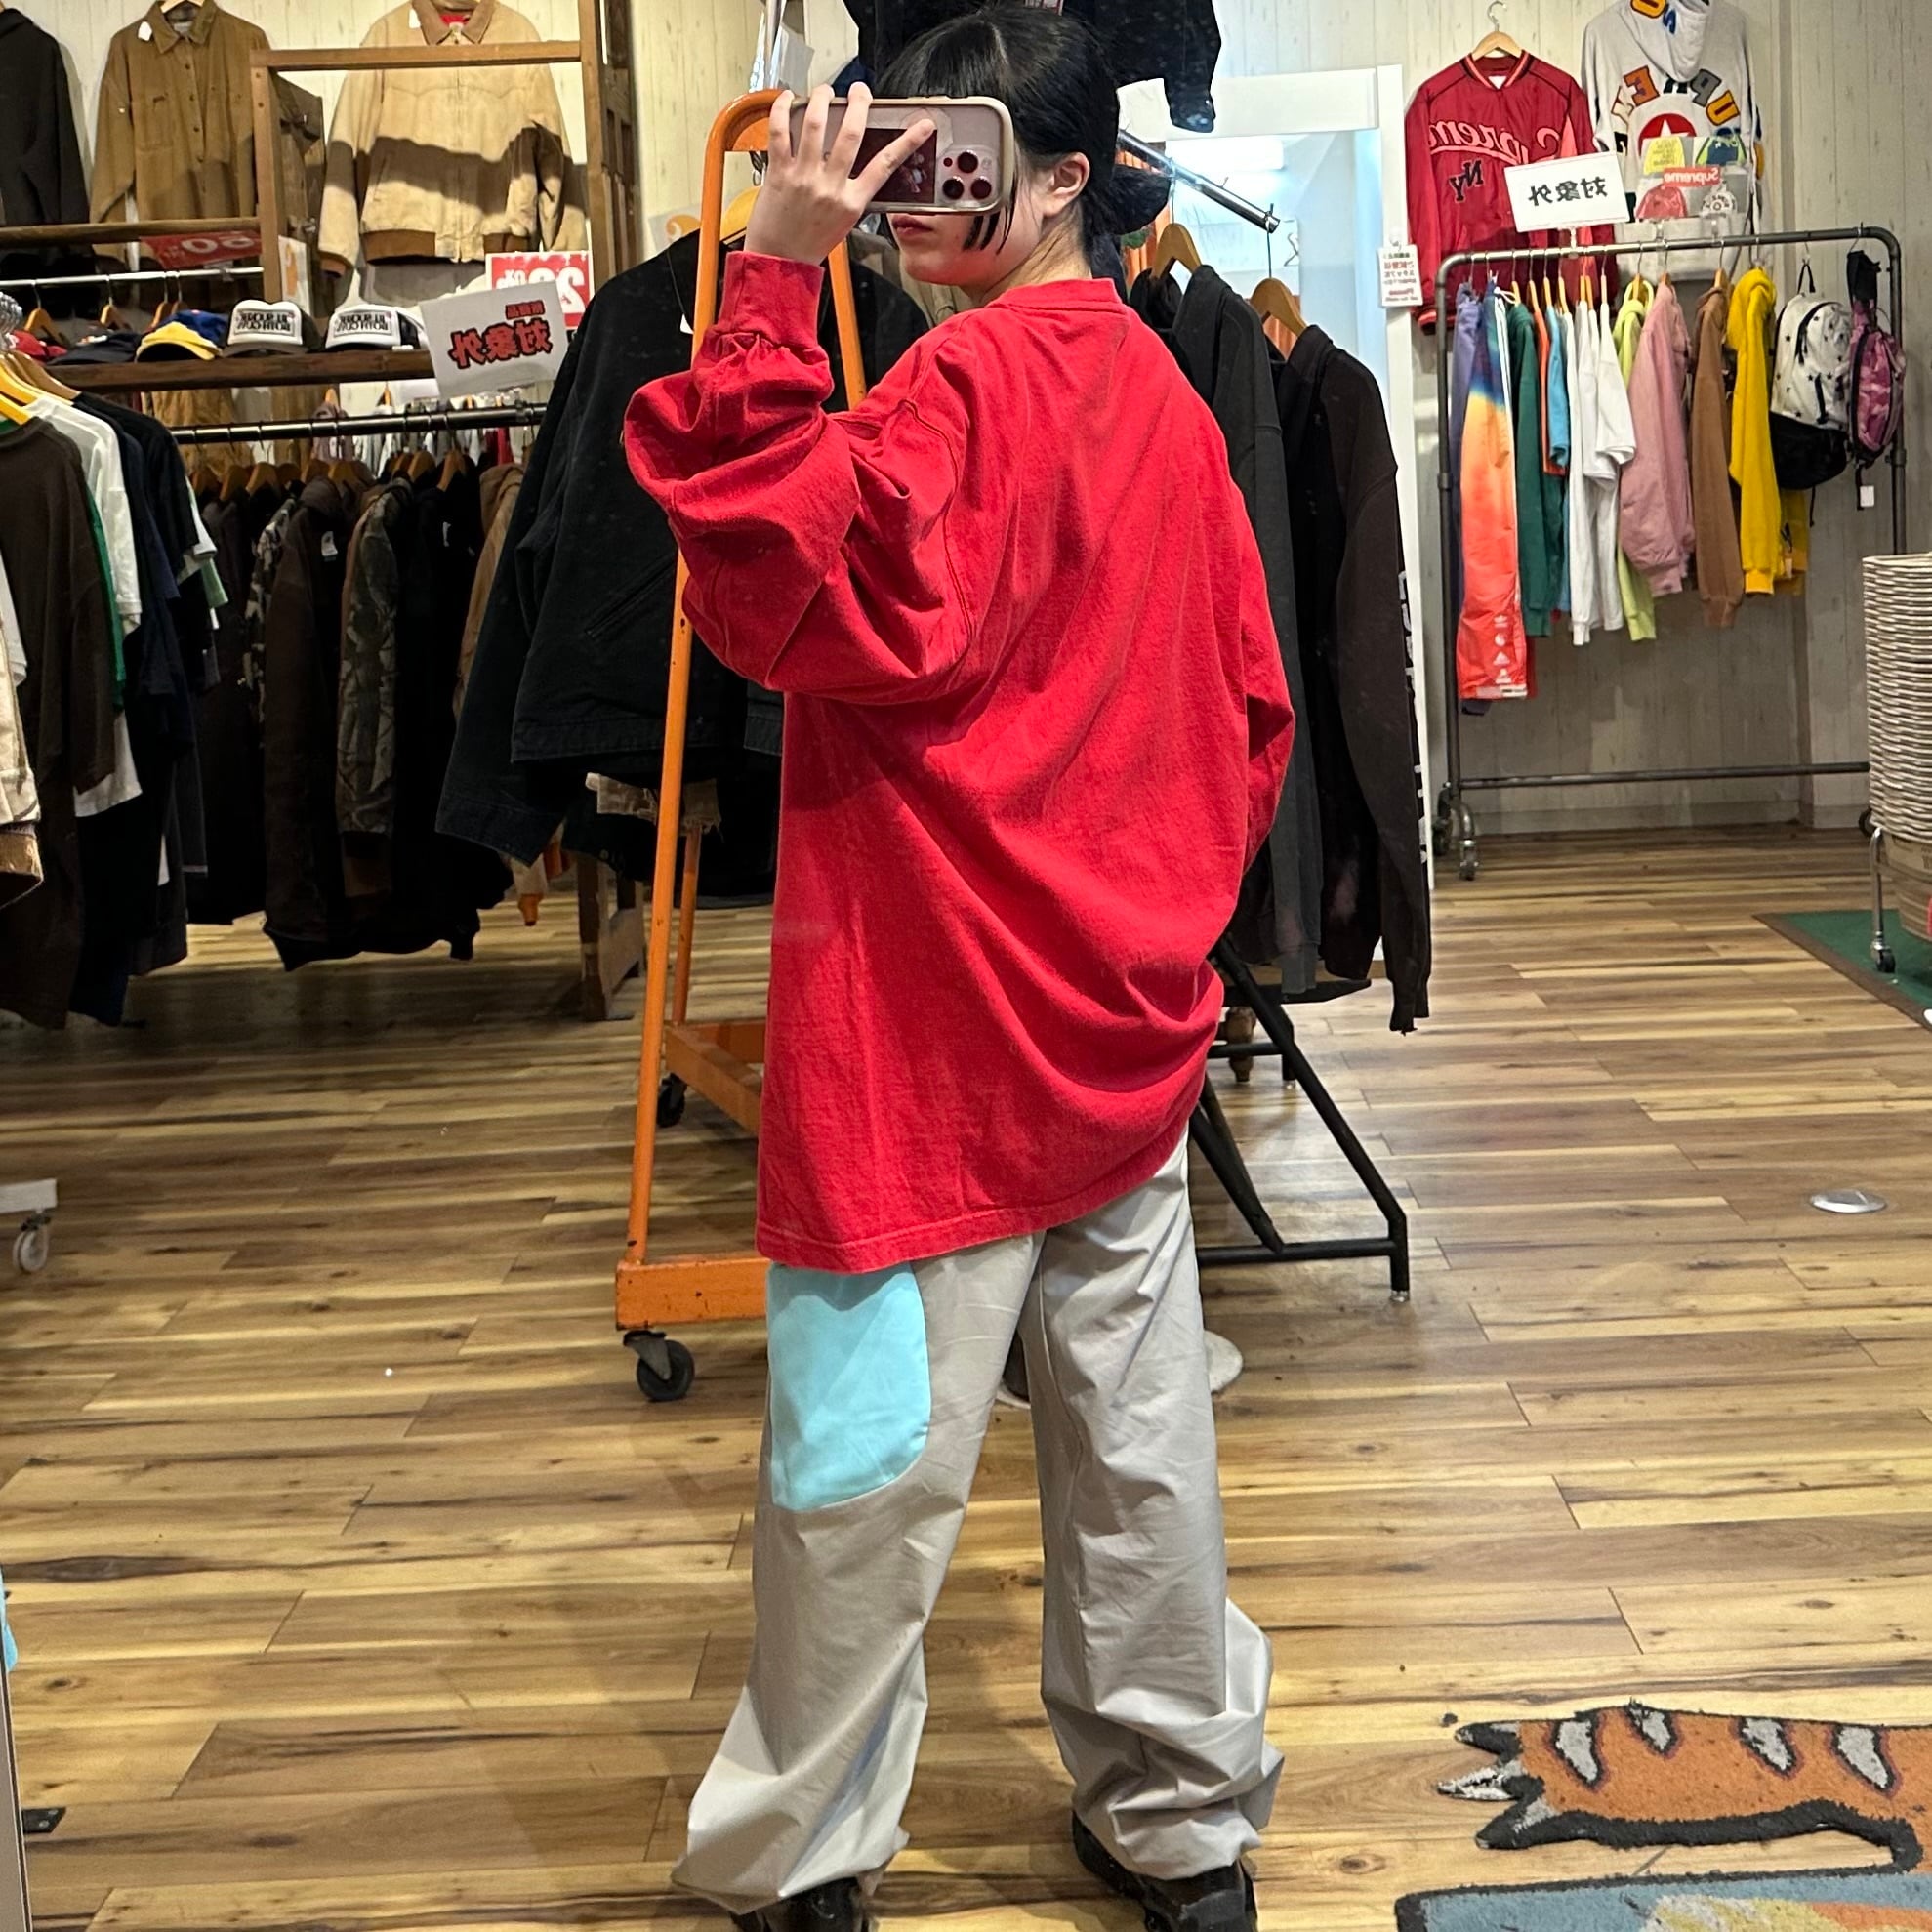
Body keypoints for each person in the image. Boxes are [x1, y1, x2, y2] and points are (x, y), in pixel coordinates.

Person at [623, 9, 1294, 1930]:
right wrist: (1147, 904)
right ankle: (1182, 1827)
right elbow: (1250, 717)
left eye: (958, 161)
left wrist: (774, 272)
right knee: (1141, 1452)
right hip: (1122, 1024)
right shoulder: (1163, 396)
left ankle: (811, 1854)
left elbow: (761, 577)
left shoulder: (946, 396)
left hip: (914, 1041)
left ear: (1066, 175)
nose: (916, 197)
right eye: (898, 152)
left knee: (860, 1472)